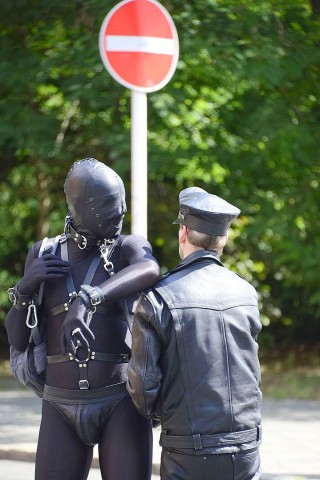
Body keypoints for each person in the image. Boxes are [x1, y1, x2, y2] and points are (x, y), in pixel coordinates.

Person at [5, 158, 160, 480]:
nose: (119, 212)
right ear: (79, 207)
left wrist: (88, 298)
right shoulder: (44, 253)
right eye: (107, 205)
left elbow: (150, 269)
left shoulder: (126, 248)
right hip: (60, 404)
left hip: (120, 401)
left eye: (121, 202)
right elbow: (18, 340)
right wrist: (24, 288)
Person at [127, 186, 262, 480]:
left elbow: (143, 387)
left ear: (183, 233)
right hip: (246, 447)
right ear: (222, 240)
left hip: (188, 450)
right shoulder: (246, 293)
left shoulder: (157, 297)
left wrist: (163, 418)